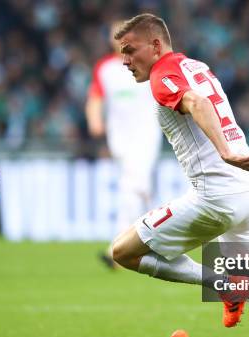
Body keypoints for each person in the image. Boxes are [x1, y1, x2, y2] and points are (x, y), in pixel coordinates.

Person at [110, 13, 249, 337]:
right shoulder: (196, 66)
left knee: (122, 252)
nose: (125, 60)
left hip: (217, 197)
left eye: (130, 50)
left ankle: (221, 283)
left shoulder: (162, 74)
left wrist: (224, 152)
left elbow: (196, 102)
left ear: (155, 45)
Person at [85, 21, 162, 269]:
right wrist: (95, 121)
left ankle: (117, 249)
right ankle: (158, 241)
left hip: (147, 135)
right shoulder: (105, 68)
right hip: (119, 139)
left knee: (130, 186)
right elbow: (95, 97)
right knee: (141, 190)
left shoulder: (148, 62)